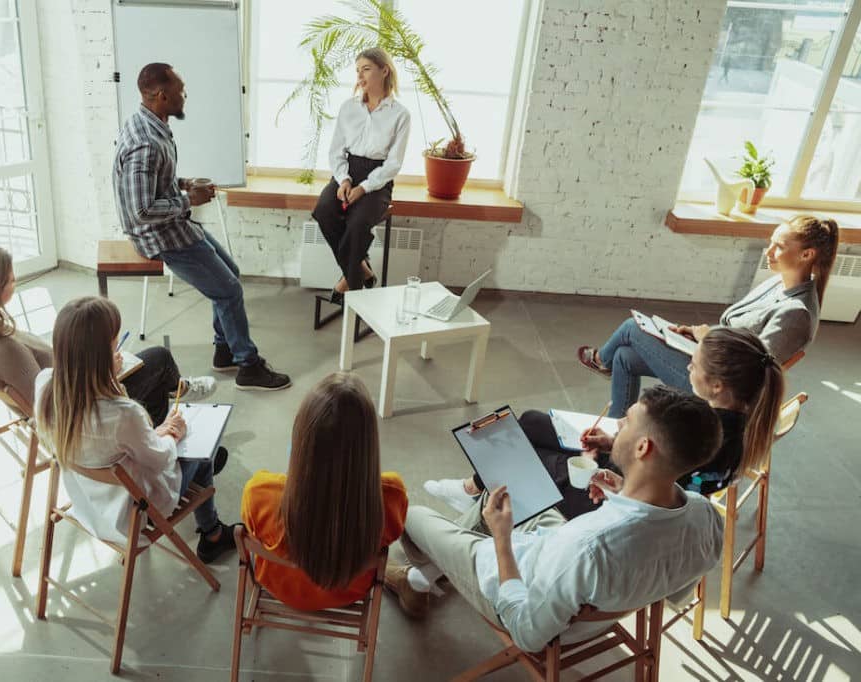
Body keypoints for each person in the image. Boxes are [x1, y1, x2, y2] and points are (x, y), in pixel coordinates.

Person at [384, 386, 724, 655]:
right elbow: (676, 590)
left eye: (626, 422)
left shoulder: (587, 545)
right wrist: (624, 492)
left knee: (411, 513)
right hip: (578, 580)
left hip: (517, 585)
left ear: (642, 448)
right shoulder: (706, 516)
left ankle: (417, 577)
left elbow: (527, 632)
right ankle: (437, 565)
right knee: (513, 491)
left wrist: (502, 541)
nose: (617, 423)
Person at [425, 326, 784, 517]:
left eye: (695, 364)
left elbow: (650, 489)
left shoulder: (708, 433)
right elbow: (660, 461)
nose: (688, 366)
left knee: (529, 454)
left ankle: (476, 493)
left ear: (718, 385)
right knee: (532, 422)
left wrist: (605, 462)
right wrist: (614, 444)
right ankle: (476, 489)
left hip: (612, 501)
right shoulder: (725, 421)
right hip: (629, 474)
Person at [113, 62, 291, 391]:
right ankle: (247, 365)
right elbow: (141, 210)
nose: (185, 96)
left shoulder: (149, 124)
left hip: (172, 224)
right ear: (162, 96)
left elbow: (155, 182)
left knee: (231, 274)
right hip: (159, 235)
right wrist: (188, 200)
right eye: (181, 92)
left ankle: (224, 351)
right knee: (229, 290)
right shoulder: (145, 143)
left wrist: (184, 183)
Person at [34, 296, 236, 562]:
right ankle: (212, 534)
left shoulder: (45, 384)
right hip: (133, 512)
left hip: (88, 500)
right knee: (202, 448)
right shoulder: (122, 414)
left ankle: (204, 498)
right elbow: (161, 459)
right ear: (101, 355)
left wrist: (159, 430)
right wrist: (173, 433)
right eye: (114, 342)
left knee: (165, 430)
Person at [576, 215, 838, 417]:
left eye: (778, 247)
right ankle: (616, 430)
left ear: (806, 255)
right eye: (770, 243)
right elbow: (737, 330)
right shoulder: (777, 283)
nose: (768, 251)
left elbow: (752, 370)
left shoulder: (797, 314)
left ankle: (602, 361)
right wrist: (695, 332)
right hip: (710, 359)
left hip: (722, 389)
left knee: (632, 327)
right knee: (625, 356)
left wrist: (708, 338)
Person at [0, 244, 215, 423]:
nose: (15, 281)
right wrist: (106, 371)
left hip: (77, 386)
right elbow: (55, 411)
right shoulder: (3, 349)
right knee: (159, 360)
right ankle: (172, 407)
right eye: (10, 279)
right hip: (86, 413)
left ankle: (166, 424)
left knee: (149, 366)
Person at [240, 372, 407, 610]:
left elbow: (253, 527)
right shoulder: (392, 495)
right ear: (368, 442)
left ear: (301, 437)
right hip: (349, 593)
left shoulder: (259, 493)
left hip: (280, 588)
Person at [311, 47, 410, 304]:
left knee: (357, 224)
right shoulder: (348, 108)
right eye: (357, 71)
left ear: (384, 70)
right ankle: (361, 271)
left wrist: (364, 188)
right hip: (347, 171)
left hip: (378, 179)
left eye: (366, 69)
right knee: (324, 210)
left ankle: (349, 284)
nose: (360, 76)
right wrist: (344, 179)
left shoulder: (400, 114)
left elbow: (394, 163)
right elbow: (336, 151)